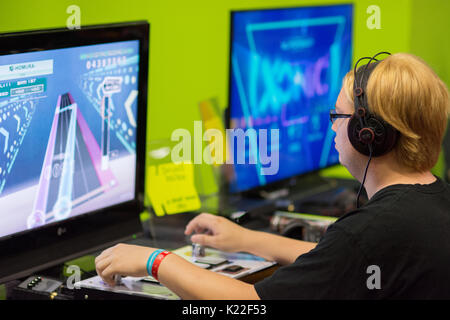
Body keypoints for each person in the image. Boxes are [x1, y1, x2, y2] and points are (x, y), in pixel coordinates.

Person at [95, 53, 450, 299]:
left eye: (338, 115)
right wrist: (247, 239)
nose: (332, 126)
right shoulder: (433, 201)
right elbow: (332, 260)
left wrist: (155, 260)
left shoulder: (369, 232)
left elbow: (247, 302)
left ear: (368, 134)